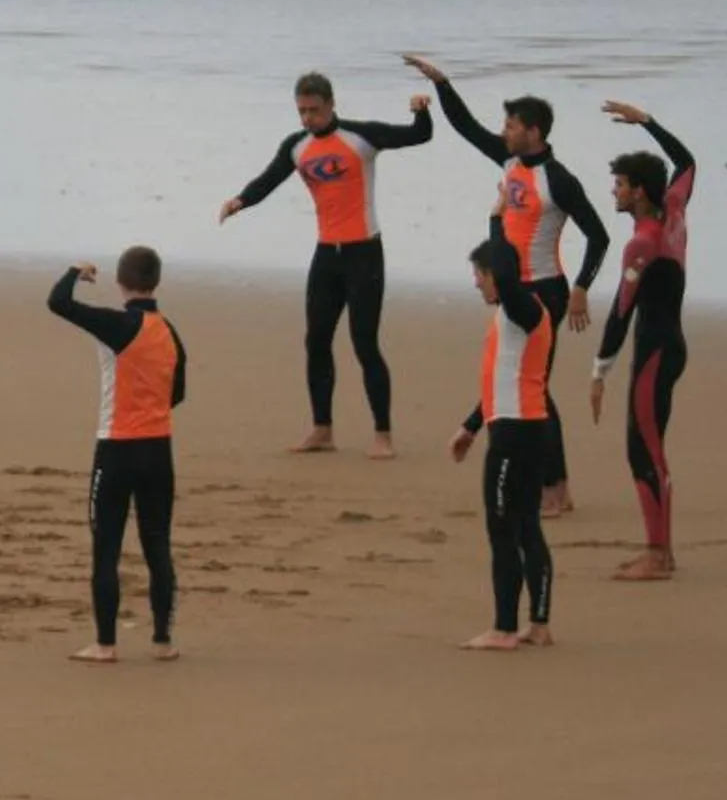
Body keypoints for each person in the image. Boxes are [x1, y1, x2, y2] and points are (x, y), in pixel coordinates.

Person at [402, 55, 608, 514]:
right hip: (514, 290)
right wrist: (442, 83)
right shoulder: (511, 160)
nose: (504, 131)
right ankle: (552, 485)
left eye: (511, 125)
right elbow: (466, 127)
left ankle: (555, 489)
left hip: (545, 291)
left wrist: (581, 288)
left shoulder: (559, 180)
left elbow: (599, 236)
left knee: (535, 388)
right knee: (530, 385)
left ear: (534, 131)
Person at [218, 72, 430, 458]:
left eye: (314, 110)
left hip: (364, 253)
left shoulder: (361, 137)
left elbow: (419, 136)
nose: (307, 118)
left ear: (331, 104)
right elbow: (268, 180)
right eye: (301, 111)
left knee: (364, 343)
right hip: (326, 256)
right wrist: (240, 201)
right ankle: (322, 429)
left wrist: (421, 112)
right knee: (316, 341)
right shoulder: (296, 146)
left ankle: (383, 435)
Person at [48, 247, 188, 663]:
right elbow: (177, 392)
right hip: (158, 450)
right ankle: (162, 641)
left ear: (121, 282)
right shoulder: (169, 332)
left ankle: (105, 644)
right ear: (155, 282)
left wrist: (74, 271)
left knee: (106, 547)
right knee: (157, 545)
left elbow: (59, 302)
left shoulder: (118, 325)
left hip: (117, 449)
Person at [591, 103, 697, 583]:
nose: (614, 191)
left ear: (637, 191)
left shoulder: (643, 242)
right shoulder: (674, 209)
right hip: (669, 347)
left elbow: (621, 310)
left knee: (644, 452)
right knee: (649, 448)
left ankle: (657, 555)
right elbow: (687, 162)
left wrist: (599, 372)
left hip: (654, 353)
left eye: (619, 184)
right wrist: (649, 123)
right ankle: (661, 552)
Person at [449, 237, 555, 652]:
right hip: (524, 427)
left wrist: (497, 230)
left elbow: (508, 279)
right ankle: (539, 625)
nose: (476, 283)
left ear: (496, 274)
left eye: (479, 274)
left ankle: (504, 628)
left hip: (514, 434)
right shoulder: (515, 312)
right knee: (526, 525)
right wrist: (471, 426)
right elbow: (503, 378)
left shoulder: (522, 308)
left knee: (503, 528)